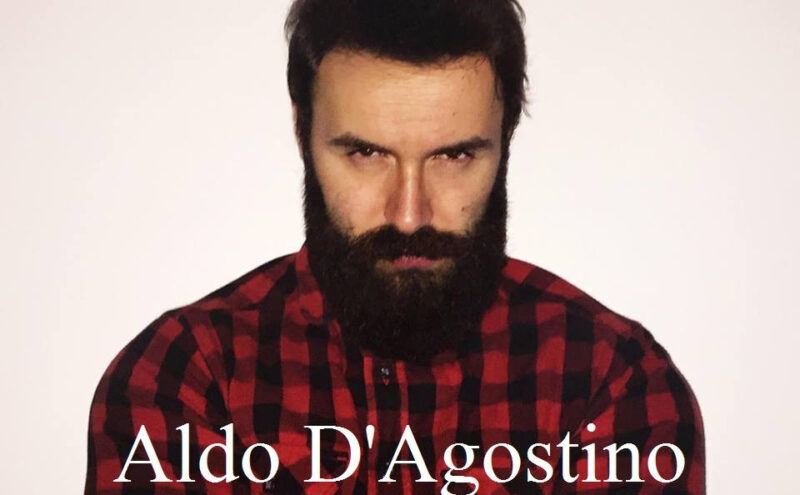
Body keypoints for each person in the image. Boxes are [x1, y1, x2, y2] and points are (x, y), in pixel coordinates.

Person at [84, 1, 704, 494]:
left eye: (454, 156)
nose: (409, 215)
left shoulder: (610, 382)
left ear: (506, 138)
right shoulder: (185, 379)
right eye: (366, 153)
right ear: (302, 132)